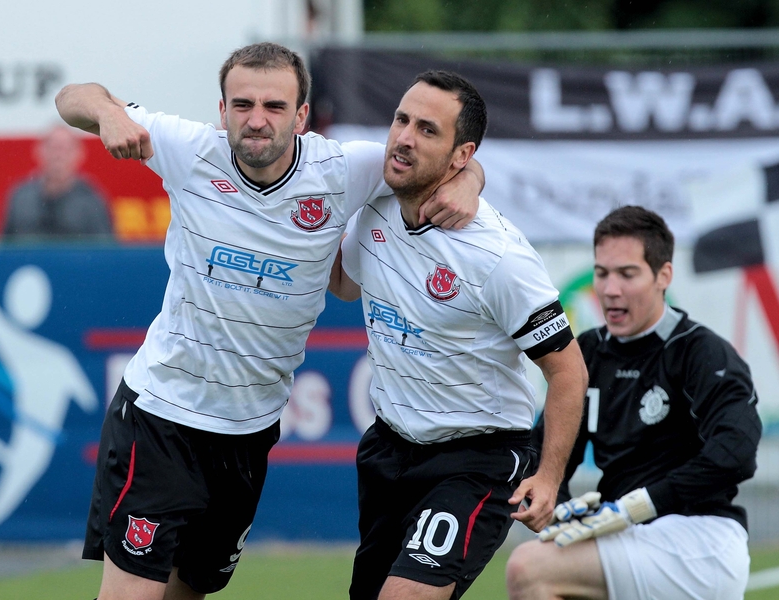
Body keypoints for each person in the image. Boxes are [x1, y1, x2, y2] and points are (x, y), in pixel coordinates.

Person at [54, 43, 484, 600]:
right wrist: (111, 113)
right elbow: (72, 97)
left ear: (302, 116)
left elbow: (440, 154)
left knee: (190, 591)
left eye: (275, 107)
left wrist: (467, 182)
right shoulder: (188, 149)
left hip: (249, 433)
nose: (257, 120)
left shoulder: (343, 169)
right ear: (222, 109)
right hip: (161, 421)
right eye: (243, 105)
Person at [327, 70, 588, 600]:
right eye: (401, 119)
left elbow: (568, 370)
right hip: (389, 449)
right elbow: (345, 287)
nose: (403, 137)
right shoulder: (375, 205)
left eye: (427, 130)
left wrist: (551, 475)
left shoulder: (498, 257)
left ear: (460, 155)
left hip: (478, 459)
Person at [505, 205, 762, 600]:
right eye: (602, 273)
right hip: (625, 535)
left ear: (664, 276)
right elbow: (547, 457)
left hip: (701, 539)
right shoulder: (587, 354)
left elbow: (736, 453)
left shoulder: (701, 352)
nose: (609, 289)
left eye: (627, 274)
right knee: (550, 557)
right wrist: (560, 508)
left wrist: (637, 506)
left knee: (529, 569)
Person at [1, 125, 114, 240]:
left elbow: (105, 251)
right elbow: (3, 248)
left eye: (65, 149)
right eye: (53, 148)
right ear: (38, 150)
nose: (58, 155)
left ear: (79, 153)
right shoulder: (21, 197)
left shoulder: (91, 199)